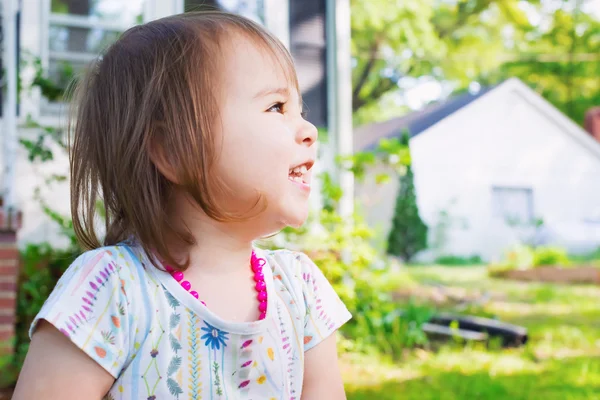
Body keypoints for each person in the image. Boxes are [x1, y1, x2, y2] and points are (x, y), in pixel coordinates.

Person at [13, 11, 351, 400]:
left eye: (301, 110)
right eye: (276, 107)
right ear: (171, 151)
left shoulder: (300, 290)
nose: (308, 130)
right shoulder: (113, 290)